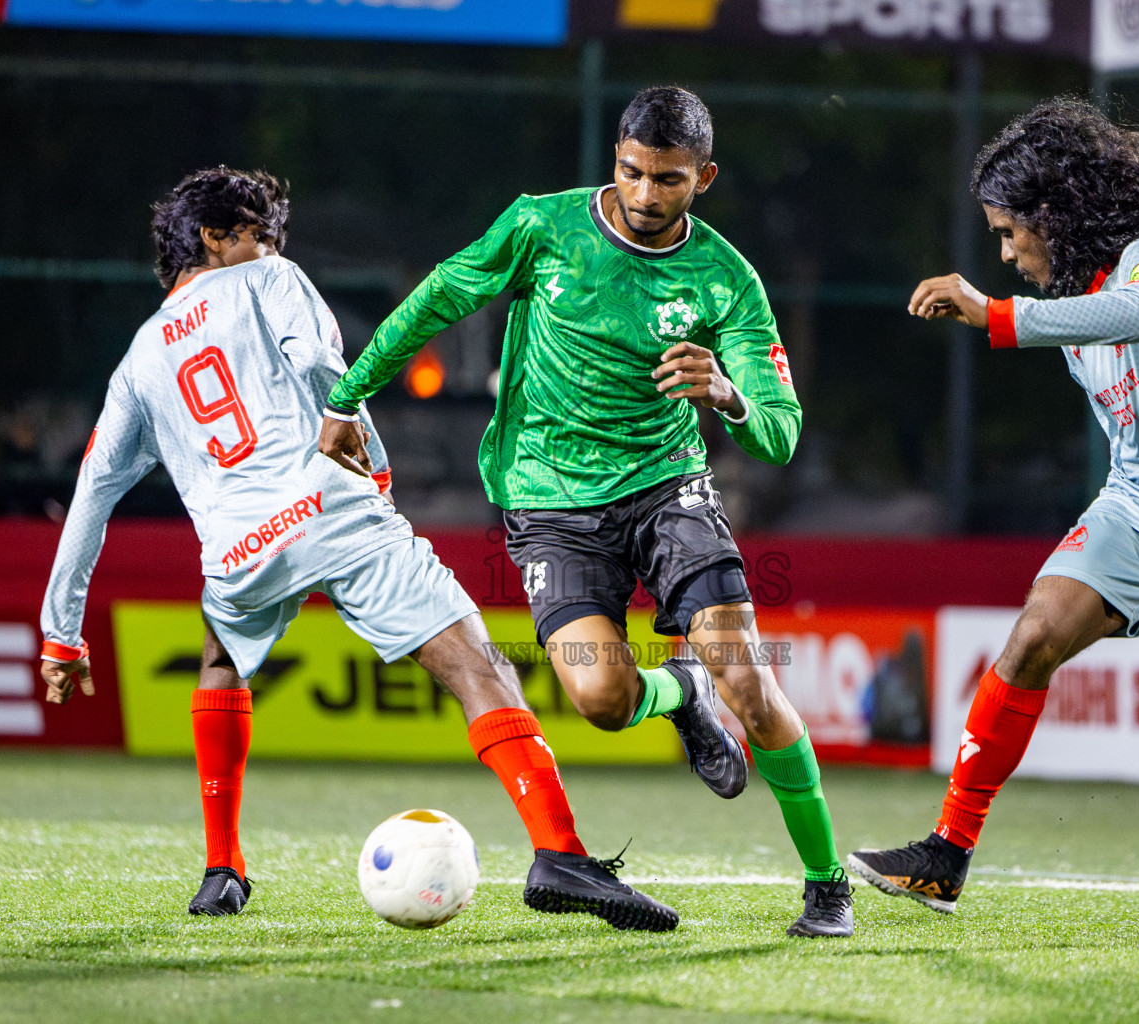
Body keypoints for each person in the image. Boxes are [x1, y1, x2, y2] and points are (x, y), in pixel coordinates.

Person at [37, 166, 676, 932]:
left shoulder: (139, 359)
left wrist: (62, 635)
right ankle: (560, 854)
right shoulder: (267, 277)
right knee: (476, 664)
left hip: (240, 549)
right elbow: (317, 363)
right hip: (329, 505)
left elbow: (91, 496)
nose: (271, 244)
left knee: (221, 654)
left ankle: (221, 867)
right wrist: (371, 456)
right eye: (258, 231)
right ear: (214, 238)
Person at [318, 88, 852, 936]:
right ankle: (677, 694)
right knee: (600, 698)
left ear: (703, 177)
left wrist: (728, 394)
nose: (644, 195)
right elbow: (437, 299)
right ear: (615, 160)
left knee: (747, 678)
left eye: (668, 180)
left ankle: (827, 884)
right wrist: (348, 397)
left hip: (668, 489)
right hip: (548, 502)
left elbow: (781, 435)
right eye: (631, 173)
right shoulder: (542, 227)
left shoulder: (724, 278)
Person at [846, 99, 1139, 941]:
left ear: (1055, 216)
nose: (1004, 252)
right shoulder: (1072, 297)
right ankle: (946, 856)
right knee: (1033, 637)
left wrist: (996, 313)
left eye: (1008, 231)